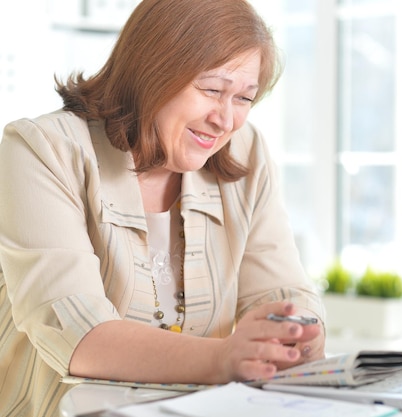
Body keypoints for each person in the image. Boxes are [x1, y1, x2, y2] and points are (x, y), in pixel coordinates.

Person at [0, 1, 326, 416]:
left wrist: (298, 329)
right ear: (153, 70)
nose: (225, 120)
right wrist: (222, 357)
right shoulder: (42, 148)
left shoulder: (248, 153)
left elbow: (280, 292)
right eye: (211, 90)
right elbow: (73, 329)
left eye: (244, 98)